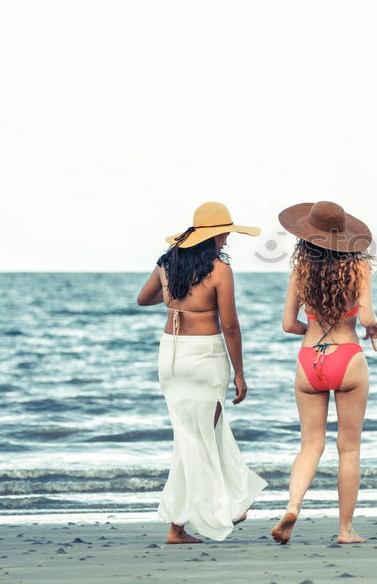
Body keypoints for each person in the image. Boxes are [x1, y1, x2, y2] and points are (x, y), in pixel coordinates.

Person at [136, 201, 267, 544]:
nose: (227, 238)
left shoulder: (167, 264)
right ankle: (225, 508)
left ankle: (179, 525)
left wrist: (175, 298)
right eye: (225, 232)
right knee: (202, 435)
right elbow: (230, 325)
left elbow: (143, 298)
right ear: (215, 235)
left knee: (190, 437)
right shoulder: (219, 270)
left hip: (171, 356)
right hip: (205, 357)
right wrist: (240, 373)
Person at [271, 201, 377, 545]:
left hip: (309, 360)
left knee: (310, 445)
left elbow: (287, 324)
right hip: (347, 358)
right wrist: (373, 328)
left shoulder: (300, 272)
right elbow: (366, 318)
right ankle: (345, 530)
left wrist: (312, 329)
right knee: (348, 449)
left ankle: (293, 506)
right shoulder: (358, 269)